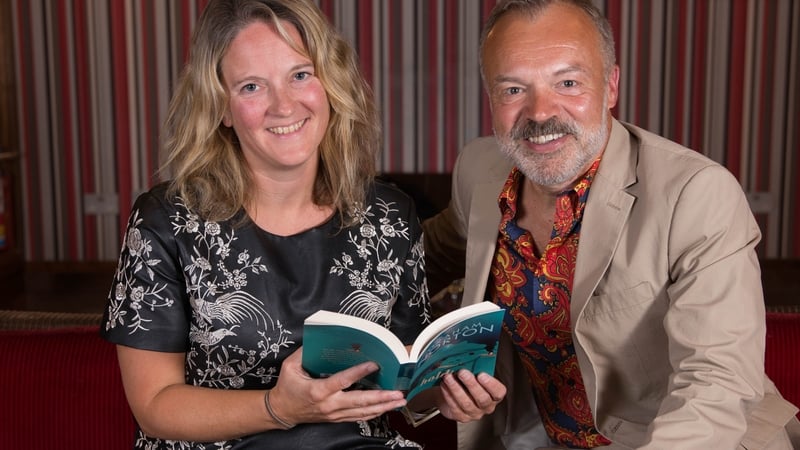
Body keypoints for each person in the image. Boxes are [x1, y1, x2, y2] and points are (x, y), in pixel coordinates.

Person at [100, 0, 504, 448]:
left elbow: (406, 377)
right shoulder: (165, 220)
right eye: (252, 86)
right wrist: (278, 408)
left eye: (300, 75)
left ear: (330, 84)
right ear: (223, 109)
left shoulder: (390, 215)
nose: (283, 105)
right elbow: (155, 406)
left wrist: (448, 394)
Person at [423, 0, 800, 449]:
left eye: (567, 82)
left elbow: (715, 383)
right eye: (513, 90)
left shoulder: (697, 193)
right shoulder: (478, 171)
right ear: (491, 98)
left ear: (611, 85)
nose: (541, 113)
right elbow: (415, 262)